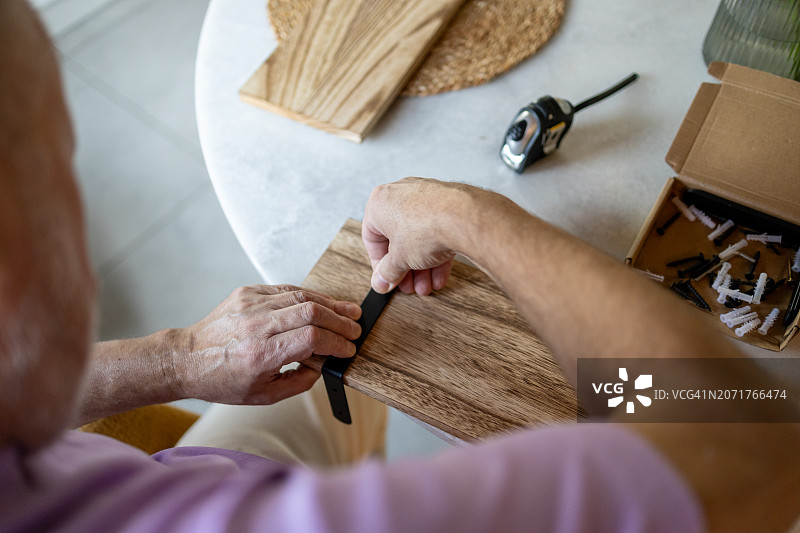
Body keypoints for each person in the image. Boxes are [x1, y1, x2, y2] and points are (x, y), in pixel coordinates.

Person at [1, 1, 799, 532]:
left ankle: (361, 445)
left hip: (177, 466)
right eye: (57, 164)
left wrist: (176, 357)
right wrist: (469, 214)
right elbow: (742, 442)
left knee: (340, 378)